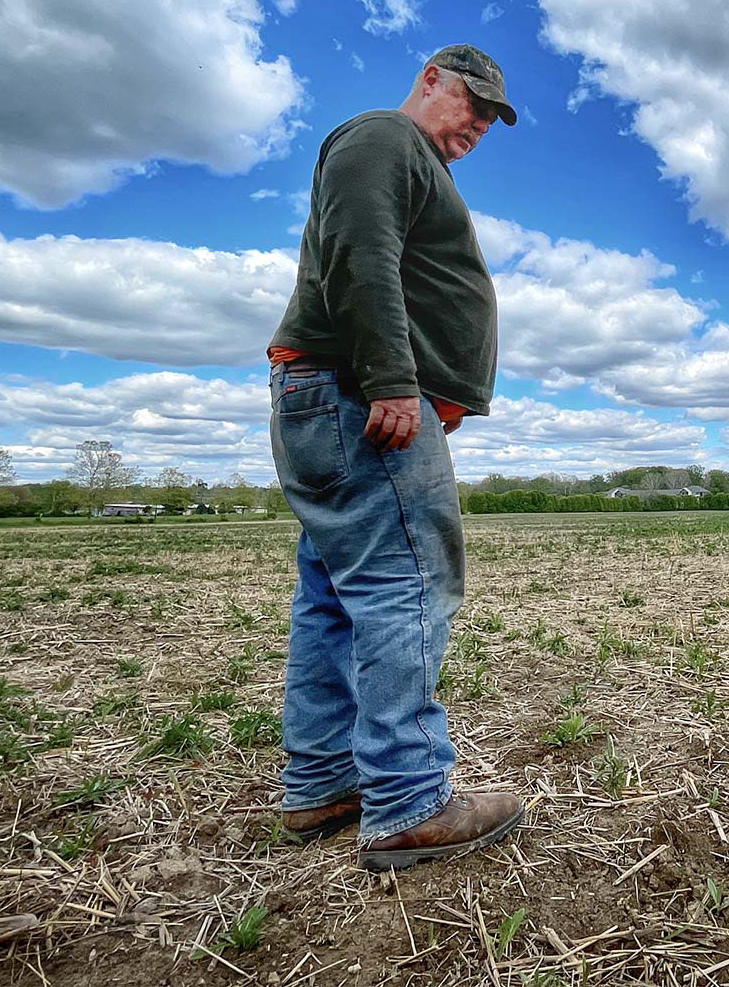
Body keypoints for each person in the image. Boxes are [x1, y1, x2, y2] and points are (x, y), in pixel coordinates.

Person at [265, 44, 524, 870]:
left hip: (337, 401)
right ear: (428, 80)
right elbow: (360, 251)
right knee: (406, 585)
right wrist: (393, 380)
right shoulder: (385, 137)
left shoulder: (411, 156)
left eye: (491, 118)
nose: (478, 124)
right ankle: (410, 798)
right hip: (359, 400)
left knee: (335, 596)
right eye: (471, 103)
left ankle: (324, 781)